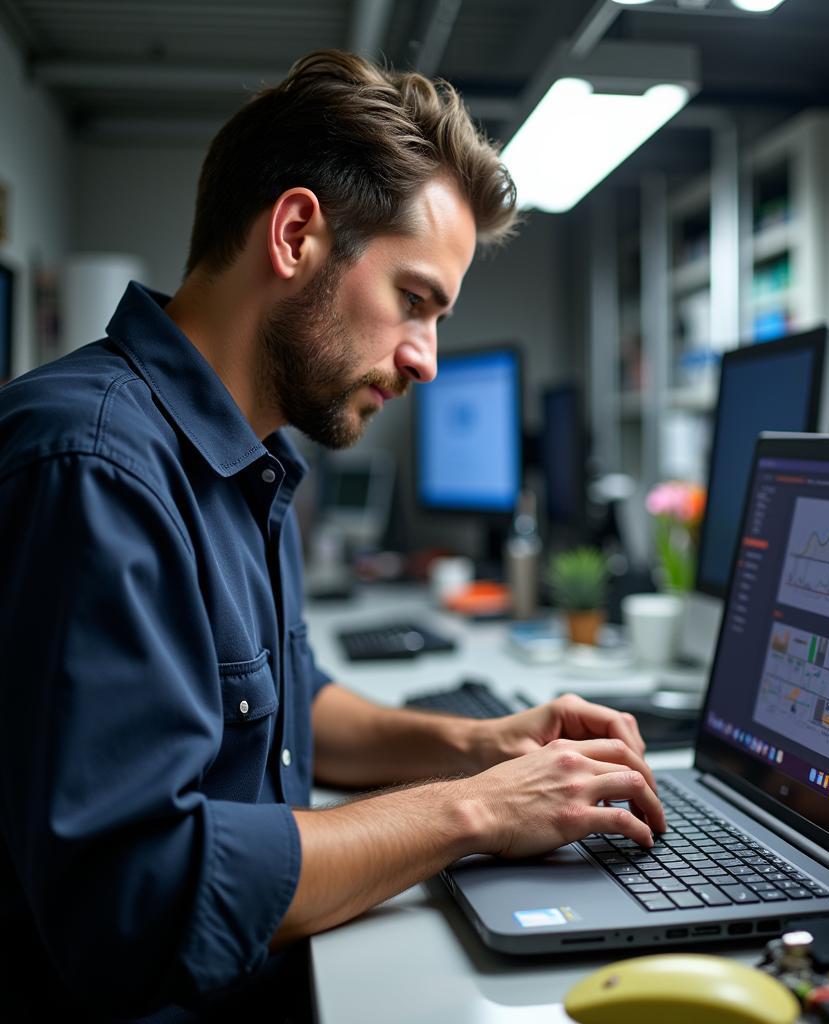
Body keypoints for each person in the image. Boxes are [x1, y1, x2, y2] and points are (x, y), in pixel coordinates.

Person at [0, 51, 664, 1021]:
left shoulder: (245, 459)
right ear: (297, 233)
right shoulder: (92, 467)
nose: (425, 360)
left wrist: (477, 743)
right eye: (414, 301)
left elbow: (280, 708)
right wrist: (474, 811)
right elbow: (139, 893)